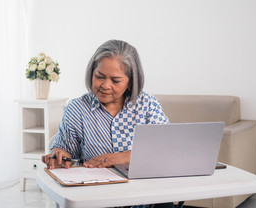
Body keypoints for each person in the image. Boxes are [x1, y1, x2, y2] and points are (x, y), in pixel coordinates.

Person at [42, 39, 169, 170]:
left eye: (115, 81)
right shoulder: (76, 109)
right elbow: (66, 151)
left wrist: (116, 158)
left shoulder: (148, 105)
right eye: (99, 76)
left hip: (142, 188)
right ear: (92, 73)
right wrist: (59, 155)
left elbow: (166, 148)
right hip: (95, 187)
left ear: (130, 82)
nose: (105, 86)